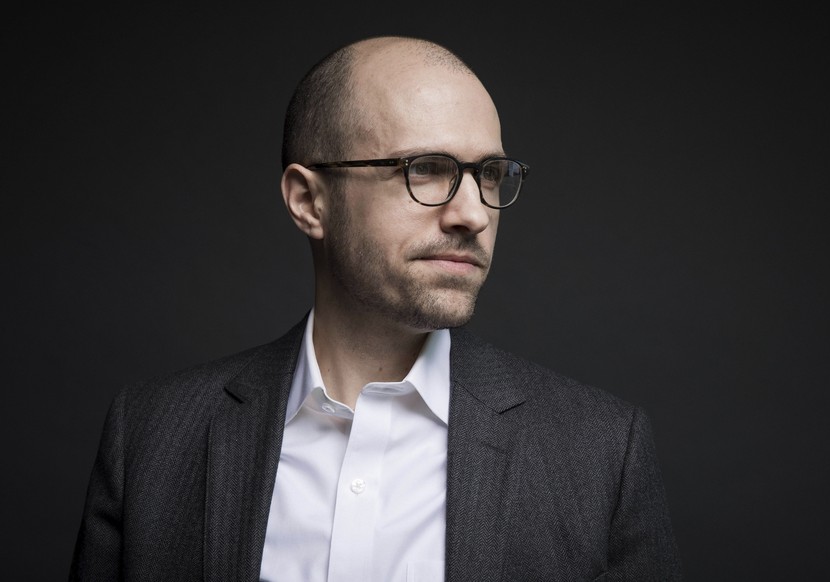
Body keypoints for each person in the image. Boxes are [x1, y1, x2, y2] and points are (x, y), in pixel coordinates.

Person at [69, 35, 682, 581]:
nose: (473, 214)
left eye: (489, 175)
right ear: (309, 201)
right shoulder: (150, 440)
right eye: (426, 169)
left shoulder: (600, 453)